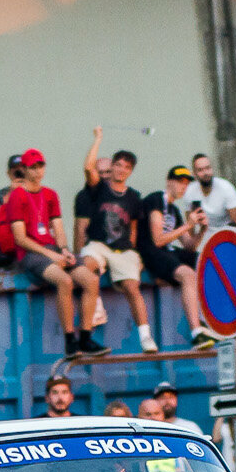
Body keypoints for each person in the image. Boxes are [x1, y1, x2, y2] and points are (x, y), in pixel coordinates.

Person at [3, 148, 105, 356]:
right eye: (33, 167)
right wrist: (51, 255)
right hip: (30, 253)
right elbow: (20, 238)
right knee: (64, 281)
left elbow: (58, 228)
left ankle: (85, 338)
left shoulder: (50, 194)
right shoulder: (17, 196)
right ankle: (70, 341)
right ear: (24, 169)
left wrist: (65, 250)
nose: (38, 171)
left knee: (91, 280)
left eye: (41, 166)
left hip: (52, 249)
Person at [77, 130, 157, 352]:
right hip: (98, 244)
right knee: (87, 268)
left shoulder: (134, 197)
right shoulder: (99, 188)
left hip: (122, 250)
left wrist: (133, 253)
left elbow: (133, 228)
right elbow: (88, 168)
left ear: (130, 171)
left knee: (132, 287)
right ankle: (86, 333)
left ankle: (146, 337)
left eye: (126, 167)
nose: (121, 170)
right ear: (111, 166)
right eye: (118, 165)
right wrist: (98, 139)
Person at [140, 165, 212, 349]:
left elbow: (189, 245)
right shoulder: (157, 199)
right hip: (152, 251)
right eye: (180, 182)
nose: (183, 187)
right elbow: (157, 239)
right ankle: (196, 332)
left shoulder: (174, 210)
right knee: (187, 274)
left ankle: (205, 320)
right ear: (168, 182)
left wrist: (202, 229)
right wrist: (188, 225)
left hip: (169, 251)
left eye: (186, 184)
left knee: (208, 263)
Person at [0, 153, 28, 270]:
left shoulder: (36, 192)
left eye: (22, 167)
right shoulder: (0, 194)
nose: (19, 171)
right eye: (15, 169)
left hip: (28, 249)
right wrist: (10, 196)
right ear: (9, 173)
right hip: (4, 252)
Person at [179, 153, 236, 228]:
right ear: (194, 173)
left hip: (226, 231)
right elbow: (189, 226)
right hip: (203, 232)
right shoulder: (190, 191)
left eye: (208, 168)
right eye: (200, 170)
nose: (205, 173)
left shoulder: (226, 187)